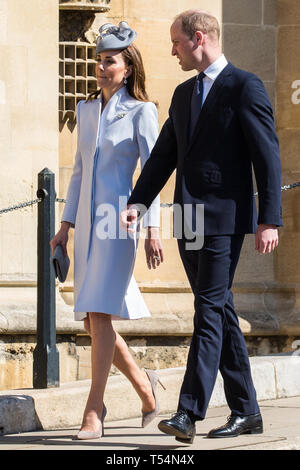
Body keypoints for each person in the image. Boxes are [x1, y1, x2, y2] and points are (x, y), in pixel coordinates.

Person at [120, 10, 282, 443]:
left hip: (225, 222)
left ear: (198, 39)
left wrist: (270, 219)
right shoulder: (182, 93)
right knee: (222, 311)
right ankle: (247, 411)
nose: (171, 50)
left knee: (208, 312)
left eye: (175, 42)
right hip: (188, 220)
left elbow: (267, 155)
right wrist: (138, 201)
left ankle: (188, 413)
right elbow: (164, 155)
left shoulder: (245, 86)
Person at [50, 21, 165, 440]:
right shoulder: (85, 110)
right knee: (91, 322)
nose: (102, 68)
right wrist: (64, 227)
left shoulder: (142, 112)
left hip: (120, 225)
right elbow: (78, 173)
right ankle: (145, 387)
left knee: (99, 314)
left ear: (128, 67)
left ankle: (93, 412)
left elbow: (152, 174)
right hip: (86, 231)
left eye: (110, 62)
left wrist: (153, 229)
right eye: (99, 61)